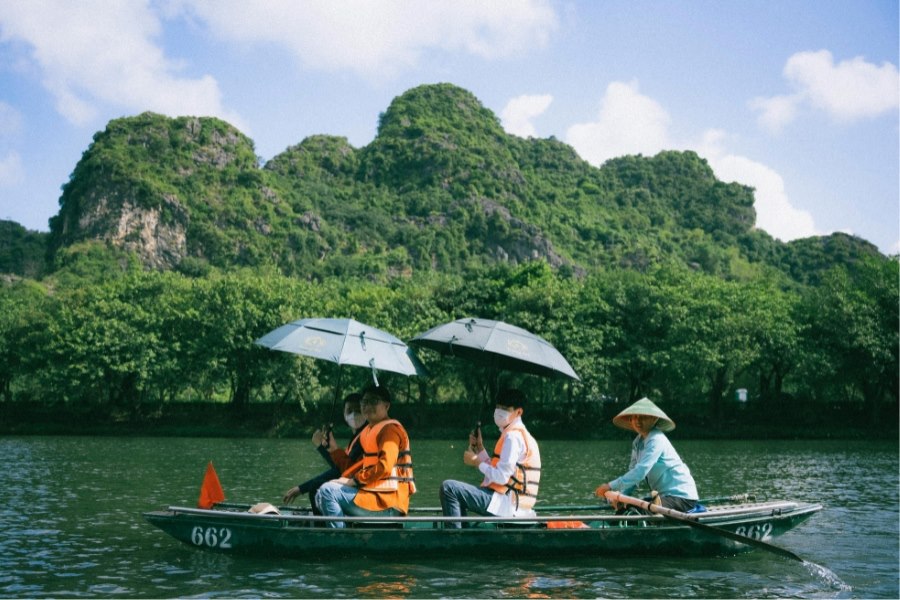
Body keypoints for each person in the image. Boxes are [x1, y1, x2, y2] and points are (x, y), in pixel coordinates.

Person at [315, 384, 415, 528]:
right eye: (364, 402)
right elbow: (357, 466)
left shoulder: (390, 431)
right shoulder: (369, 432)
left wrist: (353, 481)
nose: (367, 406)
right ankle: (343, 531)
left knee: (327, 491)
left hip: (388, 504)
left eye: (374, 401)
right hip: (373, 497)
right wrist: (334, 453)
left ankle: (339, 540)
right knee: (321, 491)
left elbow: (385, 467)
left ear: (386, 406)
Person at [439, 388, 541, 528]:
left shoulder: (513, 437)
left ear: (518, 412)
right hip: (514, 506)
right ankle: (462, 534)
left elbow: (501, 477)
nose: (499, 411)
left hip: (506, 506)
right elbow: (500, 470)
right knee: (456, 490)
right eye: (498, 407)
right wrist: (480, 448)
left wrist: (476, 461)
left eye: (505, 408)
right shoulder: (520, 435)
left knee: (449, 488)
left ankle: (456, 539)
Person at [594, 397, 699, 512]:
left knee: (640, 511)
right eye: (635, 417)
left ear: (654, 419)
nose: (638, 421)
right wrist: (621, 497)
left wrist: (610, 486)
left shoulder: (656, 439)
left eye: (643, 417)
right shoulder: (637, 443)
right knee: (624, 509)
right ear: (630, 420)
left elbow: (640, 472)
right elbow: (634, 476)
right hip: (663, 497)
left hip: (682, 497)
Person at [282, 393, 366, 513]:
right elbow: (339, 469)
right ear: (344, 413)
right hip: (354, 486)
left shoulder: (364, 437)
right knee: (316, 485)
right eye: (349, 410)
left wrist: (322, 447)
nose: (354, 414)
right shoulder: (356, 437)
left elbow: (341, 470)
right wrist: (301, 488)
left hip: (360, 490)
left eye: (358, 410)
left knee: (317, 487)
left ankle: (321, 527)